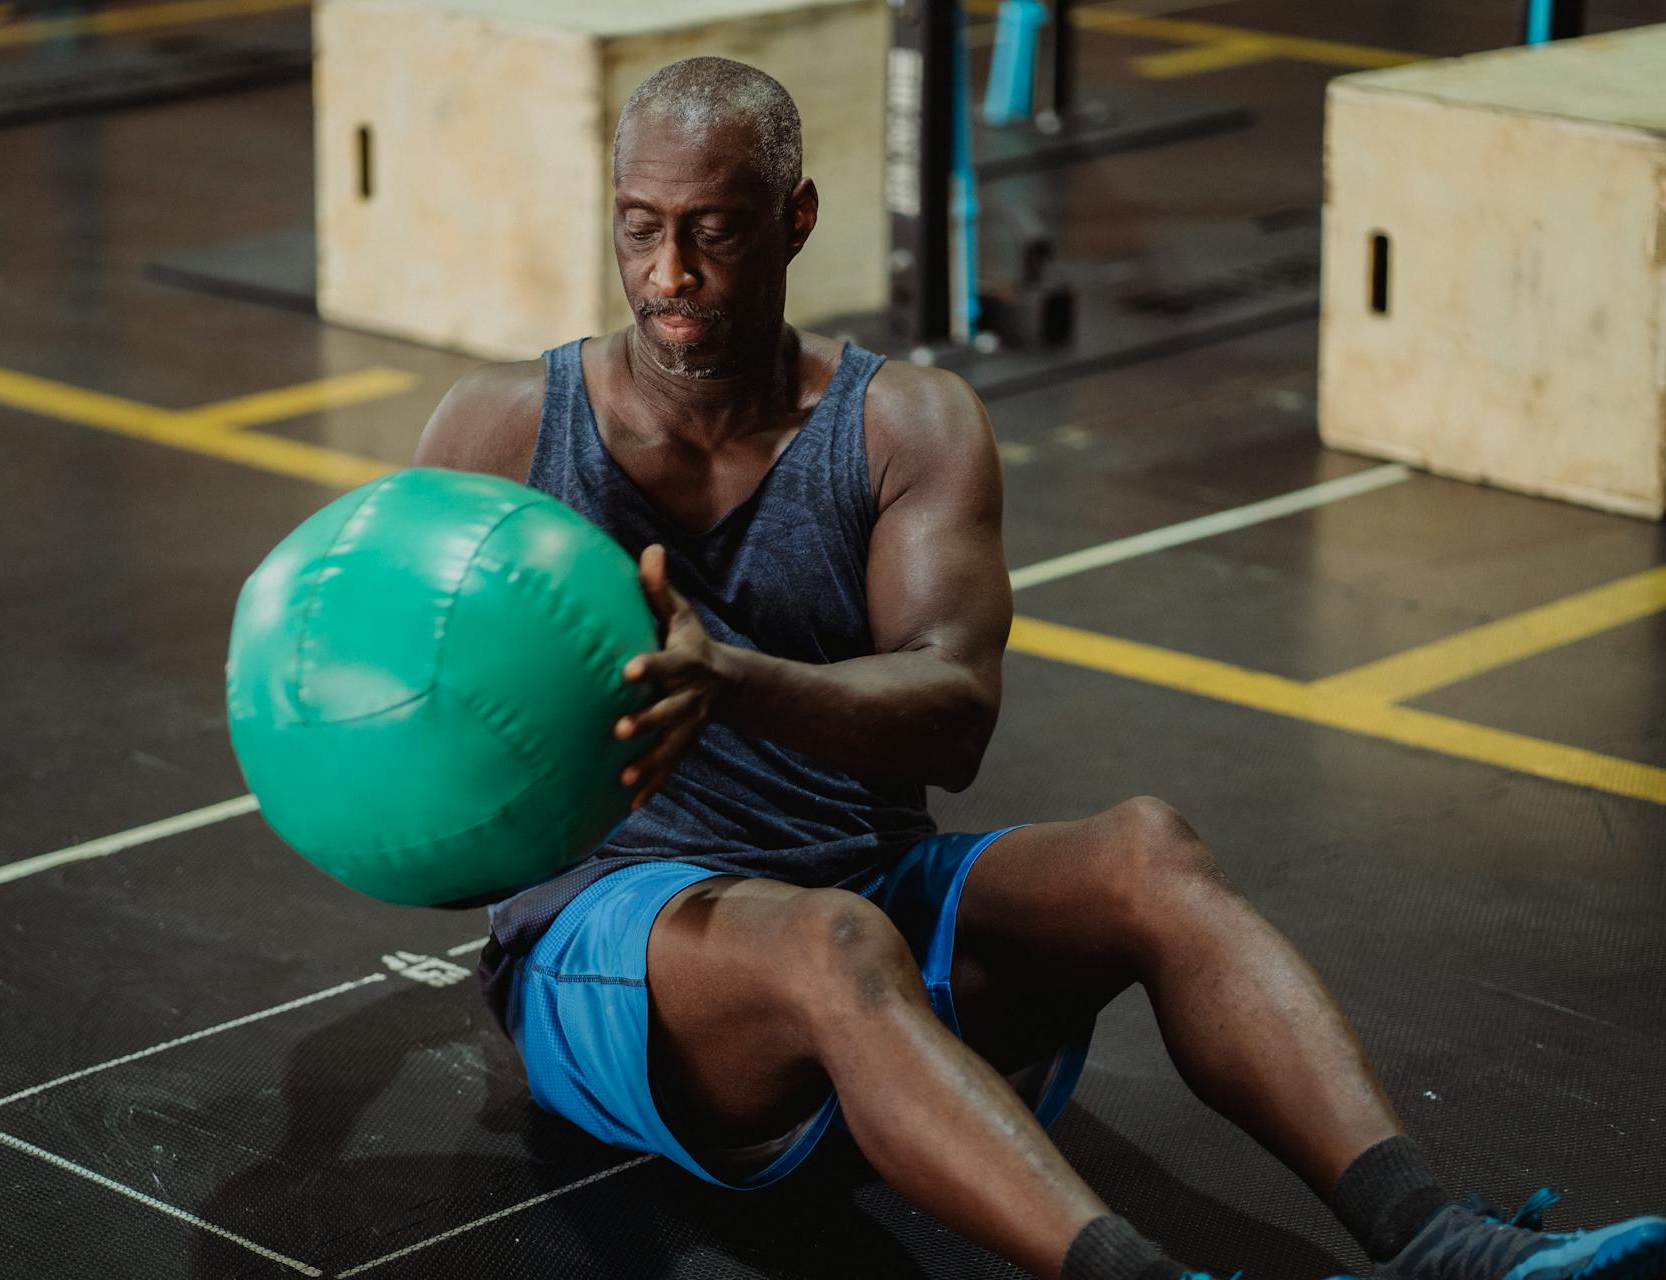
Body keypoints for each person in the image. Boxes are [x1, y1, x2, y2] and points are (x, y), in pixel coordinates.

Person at [412, 55, 1664, 1280]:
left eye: (714, 231)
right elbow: (394, 716)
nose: (669, 275)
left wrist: (731, 678)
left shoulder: (902, 423)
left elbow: (953, 715)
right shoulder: (503, 427)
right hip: (624, 953)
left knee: (1147, 853)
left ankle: (1440, 1236)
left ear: (795, 221)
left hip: (862, 902)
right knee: (834, 945)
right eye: (639, 230)